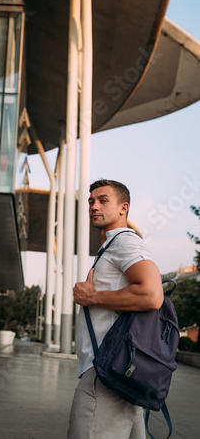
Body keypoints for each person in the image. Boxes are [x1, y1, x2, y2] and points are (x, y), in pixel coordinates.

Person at [67, 179, 164, 439]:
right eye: (91, 201)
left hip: (106, 369)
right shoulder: (110, 245)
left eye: (103, 200)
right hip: (119, 371)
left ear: (124, 208)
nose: (94, 206)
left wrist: (93, 297)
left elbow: (152, 295)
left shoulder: (124, 242)